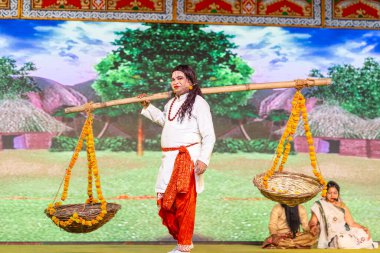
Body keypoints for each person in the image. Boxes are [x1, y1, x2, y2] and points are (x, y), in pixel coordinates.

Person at [138, 65, 216, 253]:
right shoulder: (170, 103)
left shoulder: (198, 102)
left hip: (187, 158)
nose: (175, 82)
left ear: (190, 81)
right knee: (167, 202)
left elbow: (209, 135)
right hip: (168, 159)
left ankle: (183, 247)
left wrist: (203, 159)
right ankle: (183, 241)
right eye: (173, 79)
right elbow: (166, 122)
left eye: (180, 78)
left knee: (184, 203)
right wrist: (148, 106)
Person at [309, 180, 378, 249]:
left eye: (335, 193)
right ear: (325, 193)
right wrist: (313, 227)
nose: (332, 195)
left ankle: (346, 242)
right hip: (330, 237)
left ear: (338, 194)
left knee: (363, 233)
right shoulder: (320, 205)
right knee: (341, 241)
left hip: (344, 232)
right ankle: (336, 243)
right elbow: (313, 221)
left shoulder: (342, 206)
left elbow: (351, 223)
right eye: (329, 193)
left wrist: (363, 228)